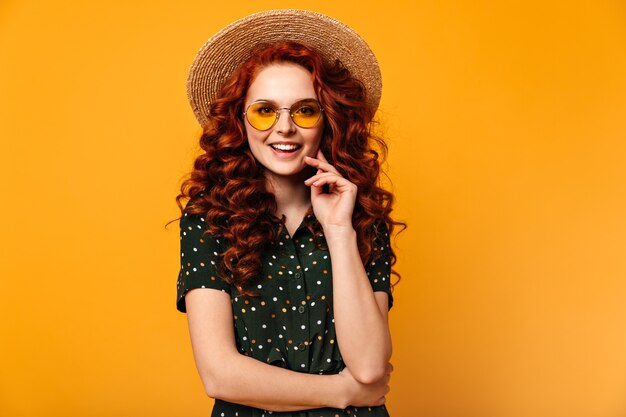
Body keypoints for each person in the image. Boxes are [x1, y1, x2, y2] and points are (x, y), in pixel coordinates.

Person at [174, 9, 405, 417]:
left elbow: (369, 365)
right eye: (265, 110)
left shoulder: (360, 216)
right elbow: (220, 375)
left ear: (327, 122)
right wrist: (342, 392)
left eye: (304, 110)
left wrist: (338, 230)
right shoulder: (208, 218)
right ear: (240, 120)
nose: (284, 128)